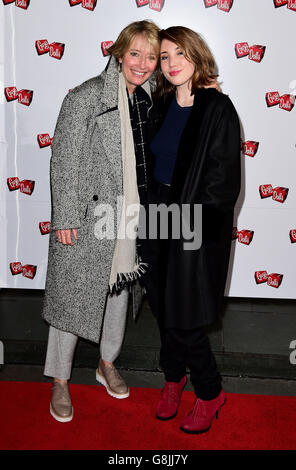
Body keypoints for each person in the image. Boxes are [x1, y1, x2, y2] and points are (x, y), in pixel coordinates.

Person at [41, 20, 161, 422]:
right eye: (135, 54)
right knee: (72, 298)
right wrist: (65, 218)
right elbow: (64, 159)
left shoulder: (149, 99)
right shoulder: (88, 96)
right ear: (119, 53)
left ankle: (106, 364)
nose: (143, 64)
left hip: (127, 215)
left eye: (151, 56)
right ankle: (59, 381)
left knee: (118, 290)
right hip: (87, 216)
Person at [148, 26, 241, 434]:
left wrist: (191, 224)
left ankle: (209, 391)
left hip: (193, 223)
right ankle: (173, 378)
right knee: (160, 306)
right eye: (164, 57)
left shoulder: (217, 108)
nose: (171, 64)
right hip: (153, 216)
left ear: (196, 55)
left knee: (184, 315)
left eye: (179, 54)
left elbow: (223, 182)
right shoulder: (160, 103)